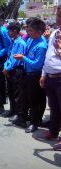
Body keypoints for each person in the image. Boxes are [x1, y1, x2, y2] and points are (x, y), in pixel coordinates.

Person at [13, 18, 47, 133]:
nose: (28, 32)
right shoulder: (31, 39)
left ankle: (34, 123)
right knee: (28, 98)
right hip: (27, 73)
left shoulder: (41, 45)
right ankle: (29, 119)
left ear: (39, 32)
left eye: (31, 30)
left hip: (35, 75)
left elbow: (37, 64)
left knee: (35, 101)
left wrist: (23, 58)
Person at [35, 5, 61, 150]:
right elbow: (49, 55)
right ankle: (53, 132)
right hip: (50, 77)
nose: (58, 19)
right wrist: (44, 74)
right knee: (54, 108)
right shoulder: (54, 33)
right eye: (57, 16)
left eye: (60, 16)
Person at [1, 22, 27, 119]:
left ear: (15, 31)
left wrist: (7, 68)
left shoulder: (20, 43)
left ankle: (17, 113)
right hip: (10, 69)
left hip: (17, 70)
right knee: (11, 92)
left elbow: (16, 59)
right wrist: (5, 67)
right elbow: (9, 57)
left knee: (17, 93)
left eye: (9, 30)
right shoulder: (13, 41)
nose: (8, 32)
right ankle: (12, 111)